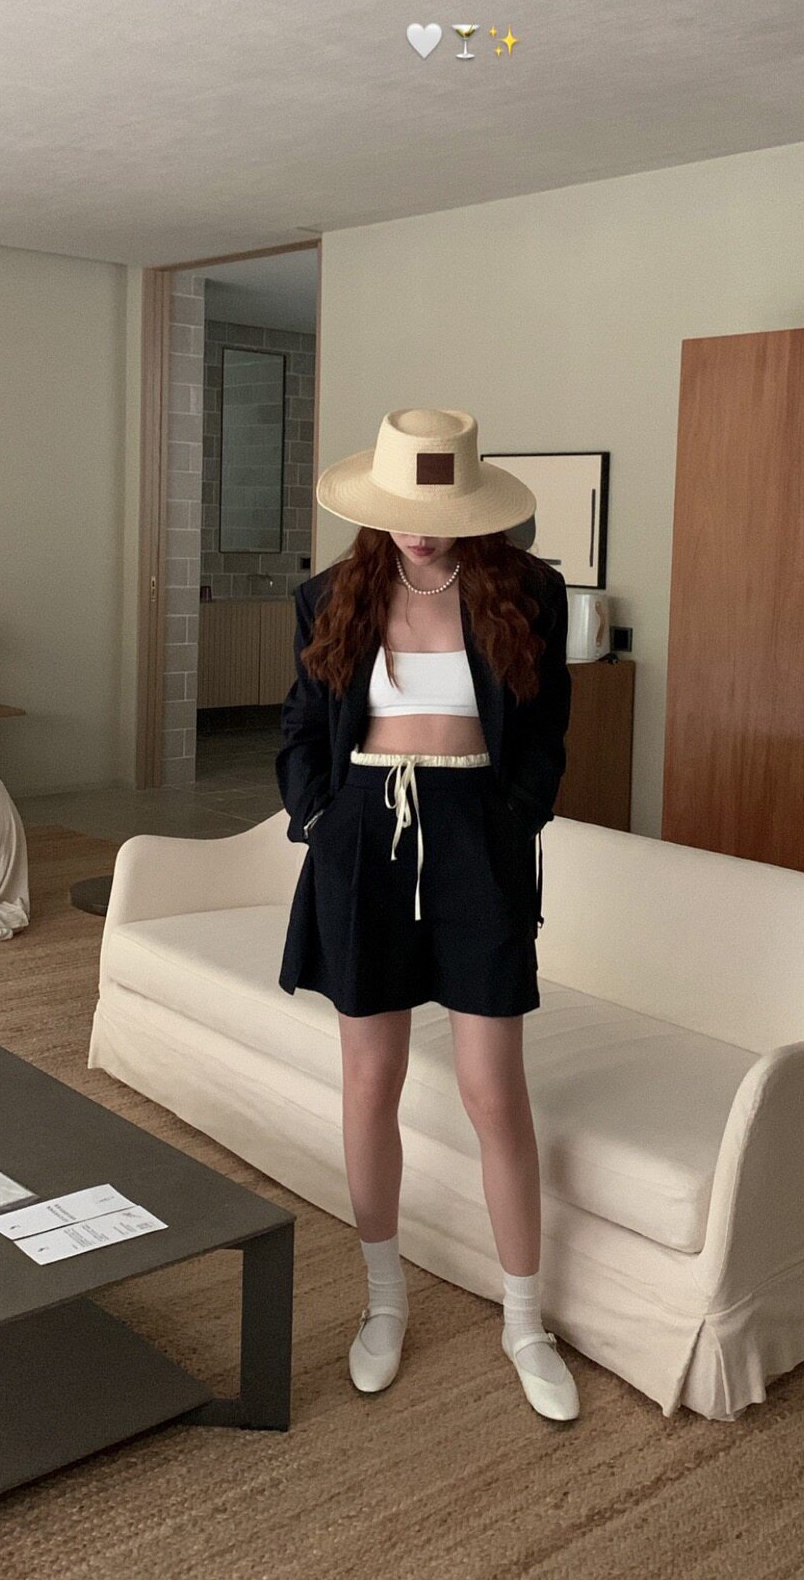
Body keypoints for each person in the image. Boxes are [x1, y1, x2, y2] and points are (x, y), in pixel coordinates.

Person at [275, 407, 579, 1421]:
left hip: (477, 840)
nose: (418, 528)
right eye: (402, 507)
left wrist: (510, 819)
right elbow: (299, 727)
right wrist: (322, 818)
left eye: (438, 510)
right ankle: (384, 1301)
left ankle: (526, 1322)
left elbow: (547, 733)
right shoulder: (331, 596)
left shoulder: (529, 592)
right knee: (372, 1081)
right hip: (363, 836)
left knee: (495, 1091)